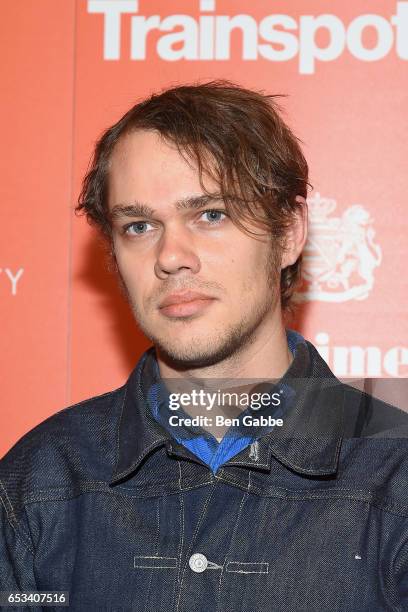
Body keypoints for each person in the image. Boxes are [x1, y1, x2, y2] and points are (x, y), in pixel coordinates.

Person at [1, 81, 408, 611]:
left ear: (288, 233)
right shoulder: (39, 481)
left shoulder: (395, 475)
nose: (171, 255)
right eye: (140, 225)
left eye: (210, 214)